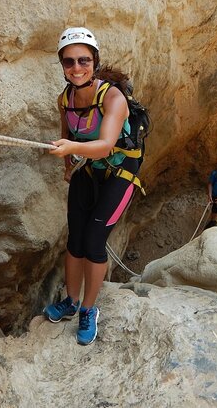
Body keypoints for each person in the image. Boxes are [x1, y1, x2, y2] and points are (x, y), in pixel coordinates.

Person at [43, 27, 140, 345]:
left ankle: (88, 309)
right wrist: (68, 164)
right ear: (62, 65)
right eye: (68, 62)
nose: (76, 68)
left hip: (119, 174)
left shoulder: (112, 97)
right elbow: (68, 134)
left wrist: (71, 152)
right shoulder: (66, 99)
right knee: (76, 240)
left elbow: (105, 144)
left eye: (83, 60)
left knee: (95, 240)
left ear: (94, 61)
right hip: (87, 170)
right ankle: (70, 302)